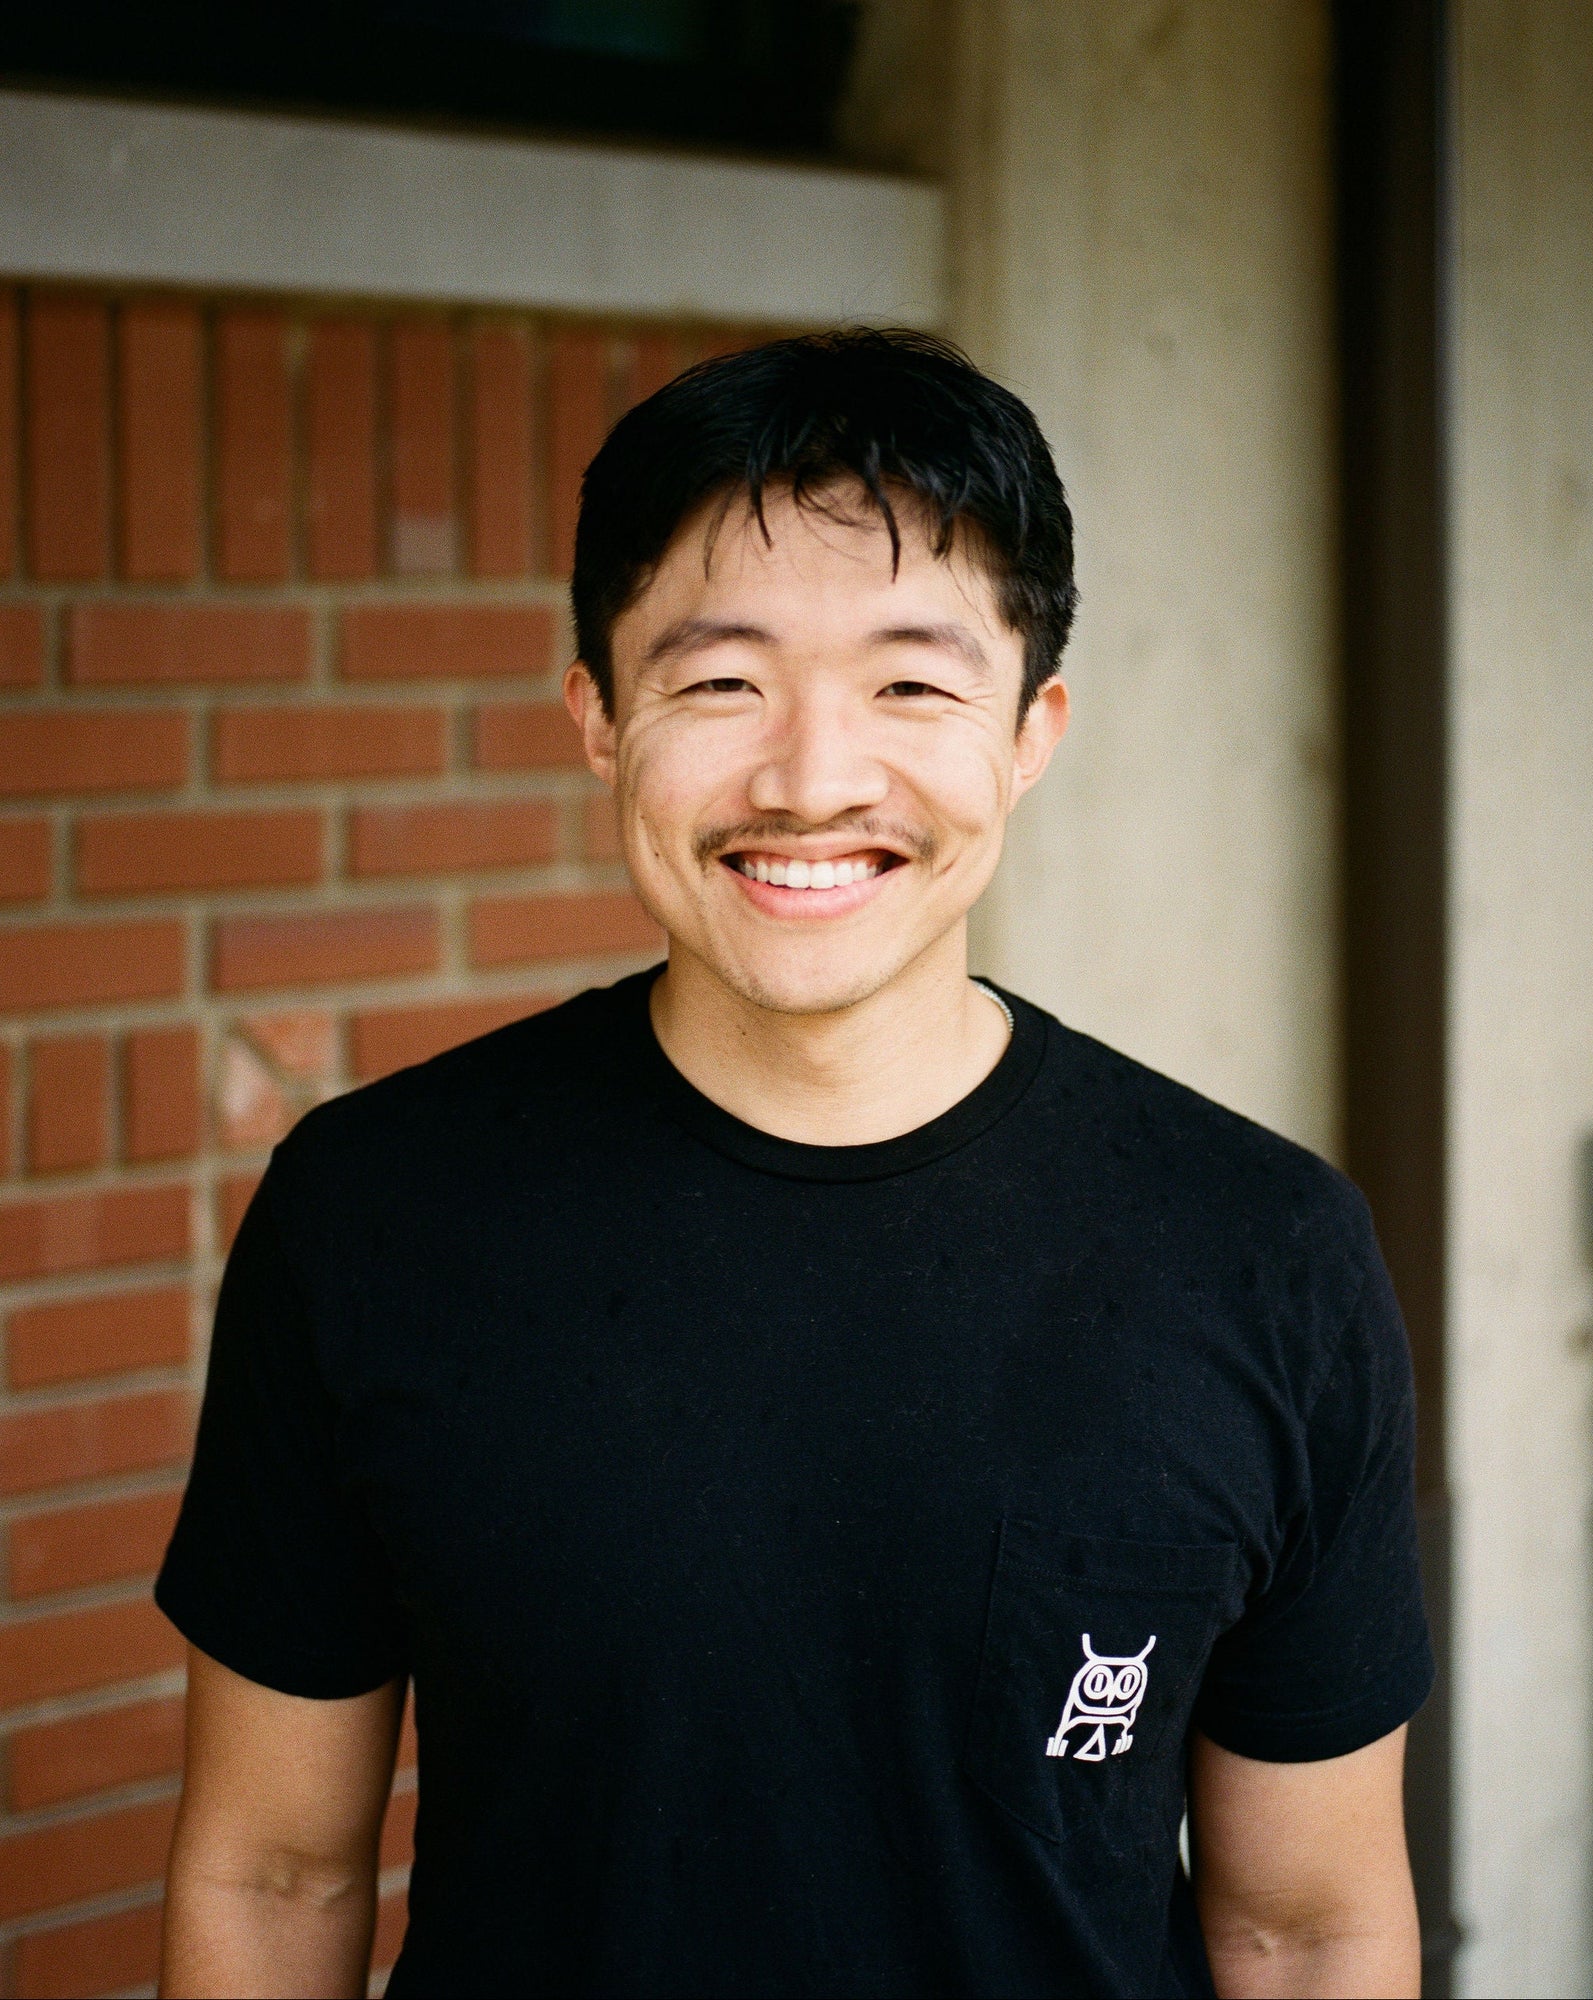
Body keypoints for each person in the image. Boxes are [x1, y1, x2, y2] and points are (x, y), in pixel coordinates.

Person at [156, 329, 1432, 2000]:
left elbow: (1306, 1926)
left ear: (1032, 729)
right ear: (598, 717)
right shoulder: (375, 1213)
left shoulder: (1262, 1254)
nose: (814, 779)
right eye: (720, 682)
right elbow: (272, 1875)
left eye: (912, 685)